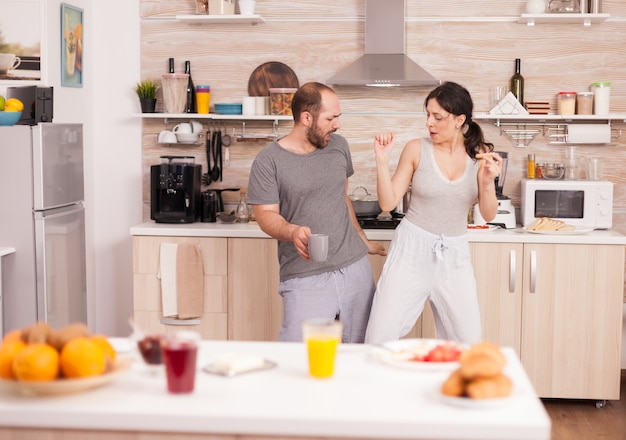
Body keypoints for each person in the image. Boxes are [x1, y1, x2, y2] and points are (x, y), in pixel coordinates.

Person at [247, 81, 386, 343]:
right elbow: (265, 215)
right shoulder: (269, 160)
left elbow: (340, 197)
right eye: (331, 118)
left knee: (360, 356)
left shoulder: (338, 147)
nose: (337, 125)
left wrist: (362, 240)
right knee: (299, 360)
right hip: (305, 276)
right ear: (306, 118)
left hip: (355, 270)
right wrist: (293, 231)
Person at [364, 81, 502, 345]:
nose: (429, 123)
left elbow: (489, 213)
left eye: (438, 117)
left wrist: (486, 182)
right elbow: (387, 203)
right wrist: (381, 160)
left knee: (468, 341)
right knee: (380, 336)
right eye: (428, 115)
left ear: (460, 120)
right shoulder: (417, 149)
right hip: (411, 250)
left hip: (454, 254)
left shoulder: (480, 155)